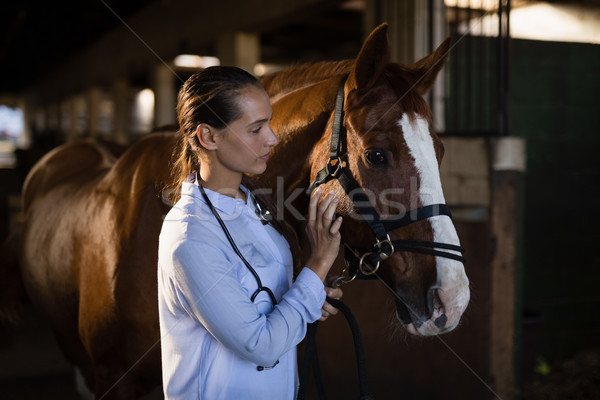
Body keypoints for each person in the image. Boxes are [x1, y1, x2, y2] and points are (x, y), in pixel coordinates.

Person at [158, 66, 343, 400]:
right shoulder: (189, 238)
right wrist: (318, 265)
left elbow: (263, 297)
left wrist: (312, 293)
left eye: (269, 123)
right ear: (208, 137)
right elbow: (260, 345)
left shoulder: (253, 203)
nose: (272, 138)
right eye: (256, 129)